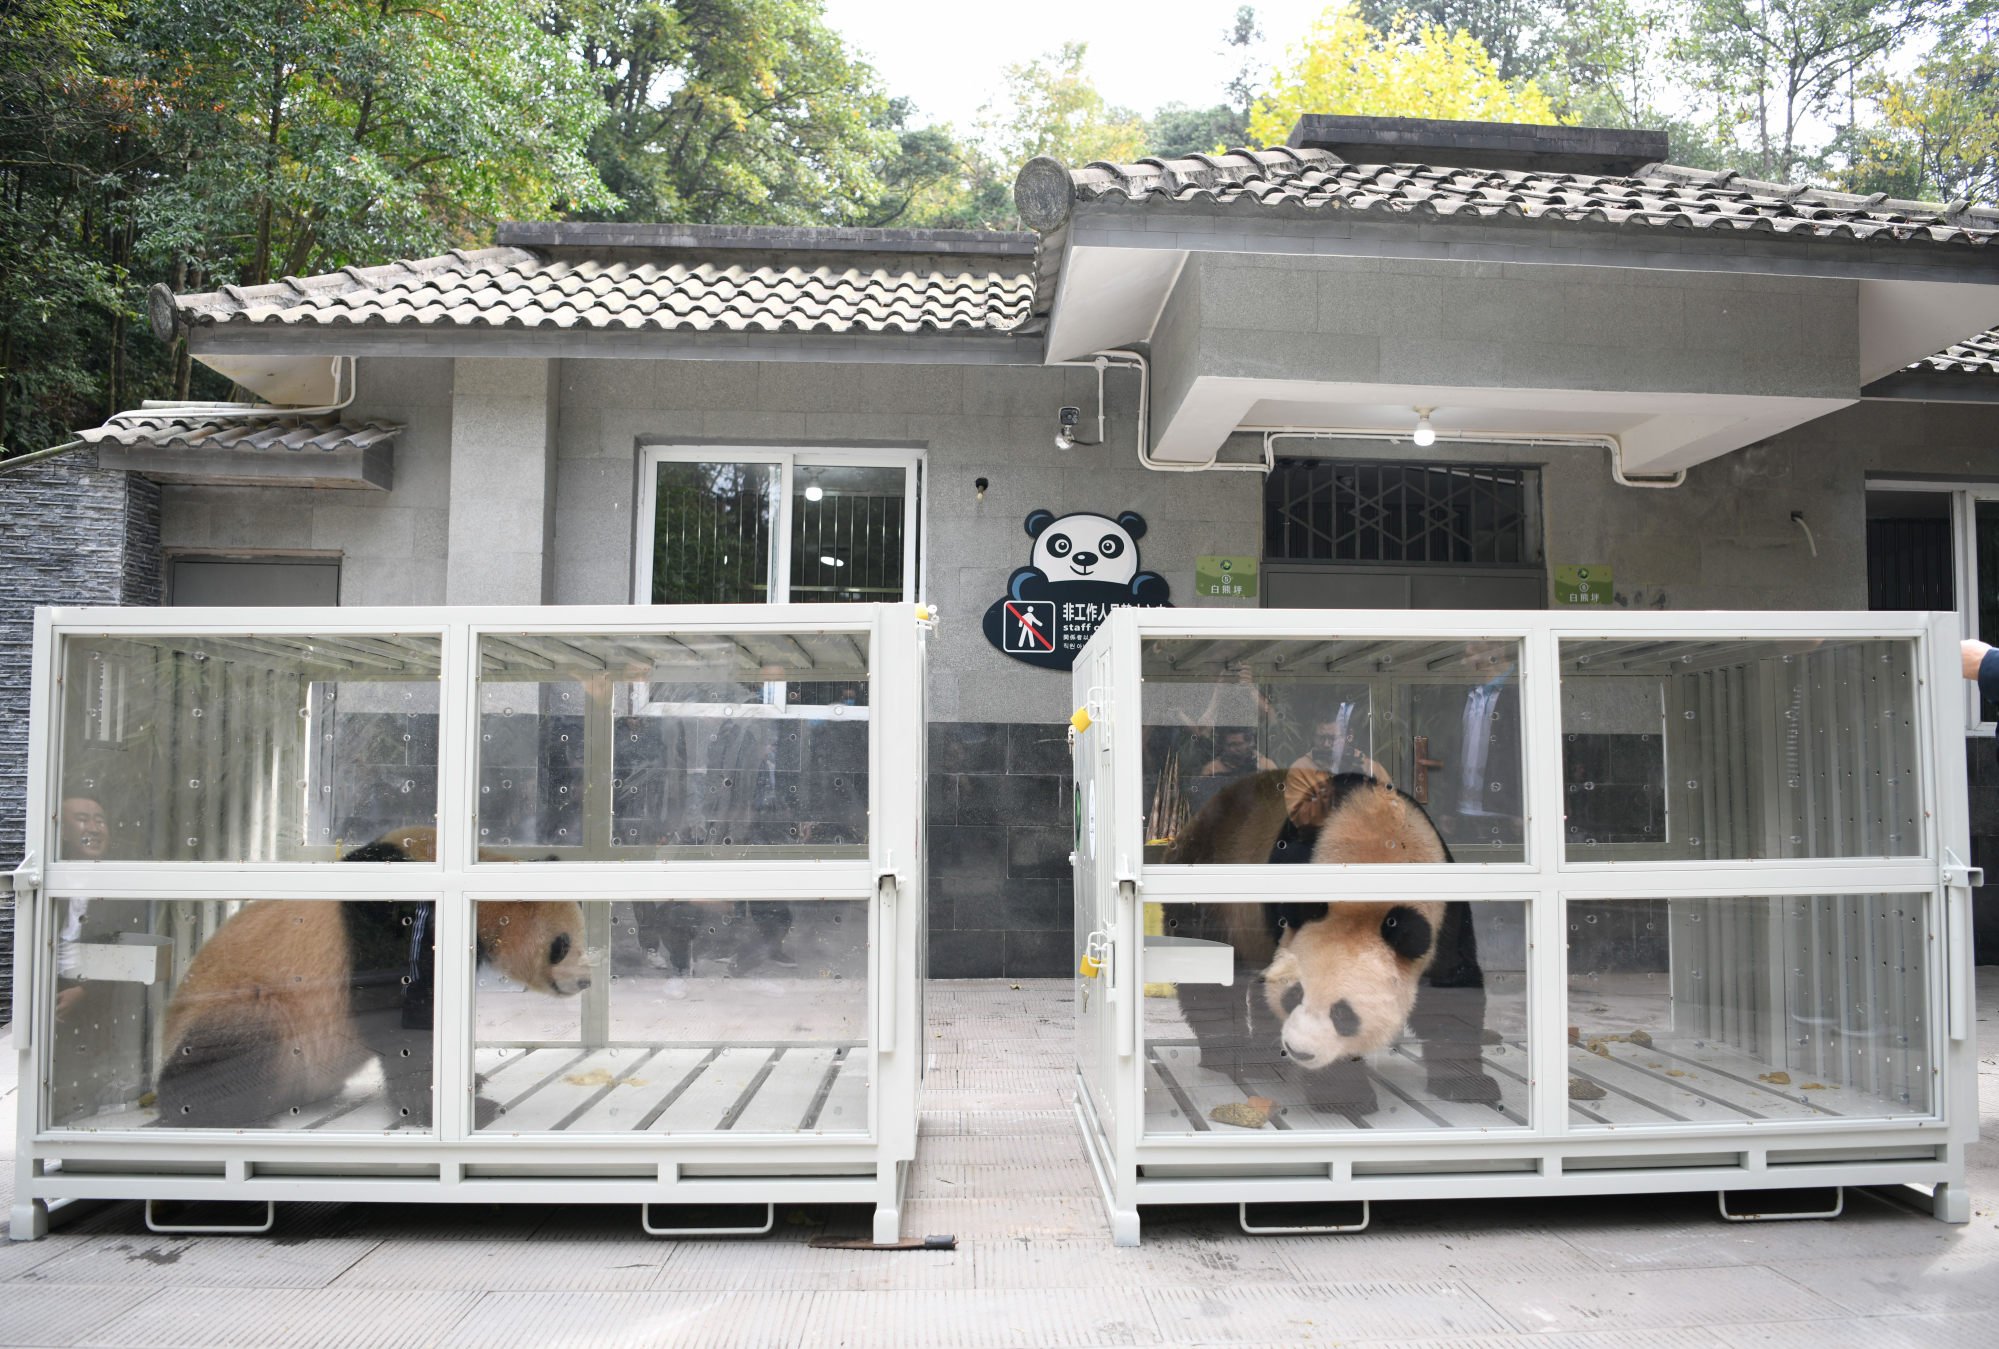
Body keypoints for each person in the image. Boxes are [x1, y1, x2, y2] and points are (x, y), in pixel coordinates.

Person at [54, 793, 111, 1020]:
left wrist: (86, 991)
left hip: (102, 1009)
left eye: (100, 820)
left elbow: (129, 956)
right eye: (82, 819)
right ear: (63, 832)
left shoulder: (122, 886)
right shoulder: (52, 879)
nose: (94, 828)